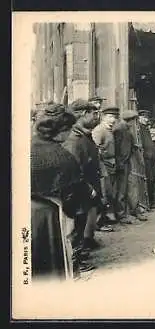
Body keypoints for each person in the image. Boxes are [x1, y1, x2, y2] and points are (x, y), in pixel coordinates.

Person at [31, 104, 97, 280]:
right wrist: (88, 194)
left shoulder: (27, 147)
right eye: (69, 129)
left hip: (25, 211)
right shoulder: (62, 157)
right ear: (61, 131)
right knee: (54, 258)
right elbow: (73, 197)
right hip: (51, 215)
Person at [63, 100, 112, 257]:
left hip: (90, 183)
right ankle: (78, 257)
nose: (96, 117)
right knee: (77, 221)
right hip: (81, 186)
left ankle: (86, 242)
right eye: (93, 114)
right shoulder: (74, 139)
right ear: (84, 114)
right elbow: (75, 168)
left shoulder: (84, 133)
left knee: (87, 215)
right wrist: (87, 187)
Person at [92, 107, 120, 223]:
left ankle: (108, 216)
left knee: (110, 192)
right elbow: (95, 148)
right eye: (109, 117)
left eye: (114, 117)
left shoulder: (109, 130)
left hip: (111, 163)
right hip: (103, 164)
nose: (112, 120)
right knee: (104, 192)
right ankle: (100, 220)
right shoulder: (99, 130)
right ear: (103, 117)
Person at [121, 109, 149, 221]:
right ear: (130, 121)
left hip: (128, 162)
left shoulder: (128, 131)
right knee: (127, 188)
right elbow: (122, 150)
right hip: (124, 163)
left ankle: (133, 209)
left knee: (131, 186)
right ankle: (128, 212)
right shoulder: (122, 131)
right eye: (133, 120)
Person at [138, 110, 155, 209]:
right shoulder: (139, 130)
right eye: (144, 118)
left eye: (147, 118)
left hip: (150, 157)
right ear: (139, 118)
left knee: (151, 179)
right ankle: (148, 203)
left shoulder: (145, 128)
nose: (146, 119)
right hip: (145, 157)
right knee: (147, 180)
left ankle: (150, 202)